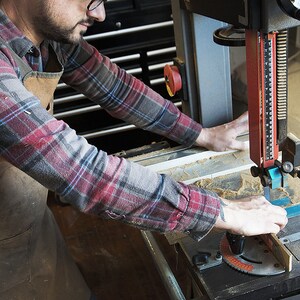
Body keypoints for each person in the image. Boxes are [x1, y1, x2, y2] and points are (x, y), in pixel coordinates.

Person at [0, 0, 287, 299]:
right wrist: (224, 212)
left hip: (27, 222)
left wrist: (202, 135)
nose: (100, 14)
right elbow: (82, 172)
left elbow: (116, 88)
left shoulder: (47, 38)